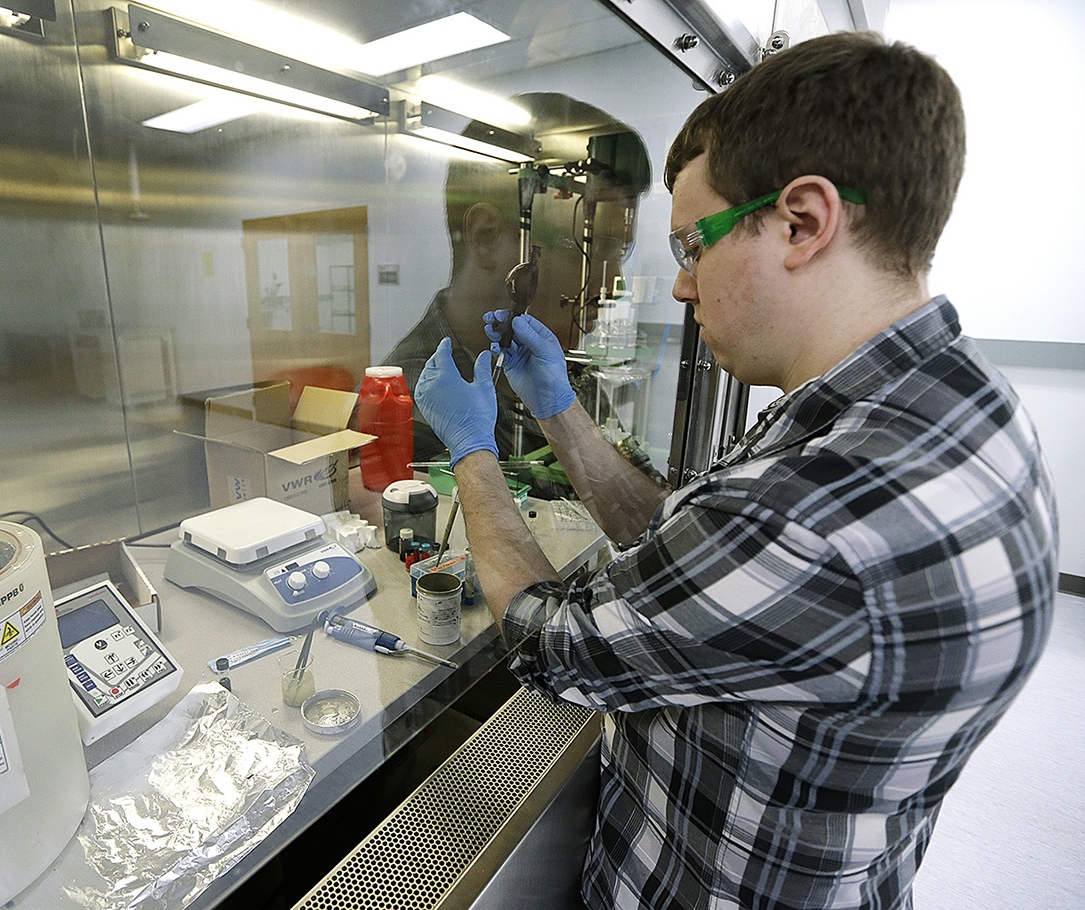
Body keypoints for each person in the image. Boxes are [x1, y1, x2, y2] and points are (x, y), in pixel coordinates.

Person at [413, 32, 1059, 910]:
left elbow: (547, 642)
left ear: (803, 222)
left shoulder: (822, 506)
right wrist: (559, 409)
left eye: (692, 246)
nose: (680, 288)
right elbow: (691, 549)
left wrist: (472, 449)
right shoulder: (951, 402)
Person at [381, 92, 651, 463]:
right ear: (486, 237)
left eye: (619, 254)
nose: (611, 287)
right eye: (590, 250)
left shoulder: (563, 369)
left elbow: (644, 498)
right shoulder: (409, 402)